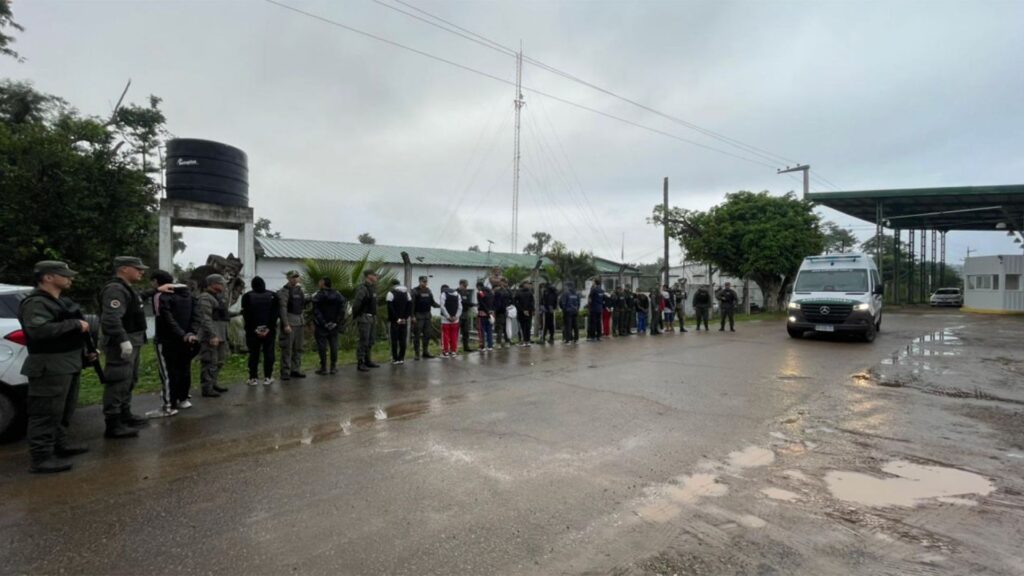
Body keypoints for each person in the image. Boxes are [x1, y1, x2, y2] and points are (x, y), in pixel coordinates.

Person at [18, 261, 91, 473]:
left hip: (67, 363)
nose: (70, 278)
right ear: (48, 277)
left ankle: (59, 445)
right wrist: (75, 324)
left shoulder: (59, 301)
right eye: (64, 275)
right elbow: (38, 330)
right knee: (45, 413)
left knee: (63, 411)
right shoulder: (36, 303)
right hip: (49, 365)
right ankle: (41, 458)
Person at [100, 256, 154, 439]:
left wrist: (156, 290)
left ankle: (125, 413)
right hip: (122, 342)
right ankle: (113, 423)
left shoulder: (127, 288)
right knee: (118, 380)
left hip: (134, 340)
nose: (141, 272)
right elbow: (111, 318)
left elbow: (138, 299)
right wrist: (122, 339)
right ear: (123, 269)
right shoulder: (115, 289)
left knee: (129, 379)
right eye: (137, 268)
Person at [153, 270, 200, 410]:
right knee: (184, 368)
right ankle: (183, 399)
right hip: (187, 339)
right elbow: (196, 317)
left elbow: (166, 318)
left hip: (167, 339)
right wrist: (190, 333)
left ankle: (169, 405)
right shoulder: (189, 296)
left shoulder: (161, 296)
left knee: (168, 372)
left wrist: (180, 334)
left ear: (156, 282)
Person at [241, 276, 279, 386]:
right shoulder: (273, 295)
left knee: (254, 354)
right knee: (269, 353)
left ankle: (253, 378)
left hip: (252, 331)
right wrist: (268, 328)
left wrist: (255, 329)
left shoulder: (247, 296)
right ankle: (268, 377)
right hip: (269, 331)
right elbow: (275, 315)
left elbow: (246, 316)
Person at [197, 274, 231, 398]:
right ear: (213, 284)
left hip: (221, 334)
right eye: (221, 283)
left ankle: (213, 383)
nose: (223, 285)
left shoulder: (218, 297)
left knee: (219, 361)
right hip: (211, 336)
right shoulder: (205, 297)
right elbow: (205, 318)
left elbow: (223, 313)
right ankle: (207, 387)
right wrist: (212, 335)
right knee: (209, 361)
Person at [312, 277, 346, 375]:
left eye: (320, 281)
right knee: (334, 346)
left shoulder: (318, 295)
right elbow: (342, 309)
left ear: (323, 283)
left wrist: (323, 323)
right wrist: (336, 322)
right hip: (334, 325)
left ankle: (323, 368)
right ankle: (333, 367)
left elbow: (316, 310)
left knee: (322, 347)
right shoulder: (338, 294)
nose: (318, 283)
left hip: (321, 326)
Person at [277, 271, 307, 381]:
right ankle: (285, 371)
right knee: (287, 348)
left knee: (298, 348)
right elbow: (282, 308)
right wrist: (286, 324)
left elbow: (302, 305)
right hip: (290, 321)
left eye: (296, 277)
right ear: (288, 278)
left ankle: (295, 369)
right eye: (293, 277)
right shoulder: (284, 291)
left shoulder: (300, 291)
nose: (295, 279)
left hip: (300, 321)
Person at [352, 269, 380, 372]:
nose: (376, 277)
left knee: (370, 340)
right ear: (369, 276)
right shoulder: (362, 288)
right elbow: (357, 304)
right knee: (363, 340)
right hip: (364, 317)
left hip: (372, 317)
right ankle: (360, 362)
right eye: (374, 275)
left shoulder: (372, 288)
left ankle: (368, 360)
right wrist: (356, 316)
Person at [410, 275, 439, 360]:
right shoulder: (415, 291)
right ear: (419, 281)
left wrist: (441, 306)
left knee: (427, 335)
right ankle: (417, 354)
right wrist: (412, 316)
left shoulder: (428, 291)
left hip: (427, 316)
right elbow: (412, 305)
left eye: (426, 282)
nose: (425, 283)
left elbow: (432, 302)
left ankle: (425, 352)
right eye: (423, 281)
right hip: (418, 316)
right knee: (417, 335)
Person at [386, 278, 412, 364]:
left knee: (394, 340)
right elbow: (409, 306)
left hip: (394, 321)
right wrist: (405, 317)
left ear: (392, 285)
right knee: (402, 339)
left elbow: (390, 307)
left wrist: (397, 318)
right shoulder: (406, 293)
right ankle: (401, 358)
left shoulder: (390, 293)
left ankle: (395, 358)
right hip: (404, 320)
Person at [439, 284, 462, 357]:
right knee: (454, 336)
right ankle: (453, 351)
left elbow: (442, 307)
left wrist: (448, 317)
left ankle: (445, 352)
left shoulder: (443, 294)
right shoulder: (457, 294)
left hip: (445, 320)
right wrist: (456, 316)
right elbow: (460, 307)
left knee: (445, 336)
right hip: (455, 320)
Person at [514, 280, 535, 346]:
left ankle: (527, 341)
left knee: (528, 326)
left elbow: (532, 302)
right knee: (522, 327)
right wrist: (522, 310)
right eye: (527, 283)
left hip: (529, 312)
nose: (528, 285)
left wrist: (532, 310)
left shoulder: (530, 292)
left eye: (528, 284)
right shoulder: (518, 292)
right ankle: (523, 340)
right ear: (523, 284)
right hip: (521, 312)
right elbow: (515, 302)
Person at [457, 279, 475, 353]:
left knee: (466, 332)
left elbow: (468, 302)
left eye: (466, 286)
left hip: (465, 313)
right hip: (458, 314)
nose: (466, 287)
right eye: (464, 286)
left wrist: (473, 304)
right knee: (456, 332)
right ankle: (454, 348)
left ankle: (466, 347)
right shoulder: (456, 292)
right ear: (461, 284)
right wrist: (471, 304)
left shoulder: (467, 292)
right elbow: (462, 302)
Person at [475, 281, 495, 352]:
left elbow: (481, 303)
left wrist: (486, 311)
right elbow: (493, 303)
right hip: (491, 314)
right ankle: (490, 346)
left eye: (477, 287)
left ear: (478, 286)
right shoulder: (491, 292)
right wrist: (490, 312)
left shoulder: (480, 292)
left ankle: (482, 346)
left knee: (481, 331)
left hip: (482, 314)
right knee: (489, 330)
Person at [492, 279, 511, 349]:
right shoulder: (508, 292)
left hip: (500, 312)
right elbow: (511, 301)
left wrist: (495, 310)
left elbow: (496, 303)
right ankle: (507, 342)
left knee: (500, 328)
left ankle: (498, 343)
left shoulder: (498, 292)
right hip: (507, 311)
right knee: (506, 327)